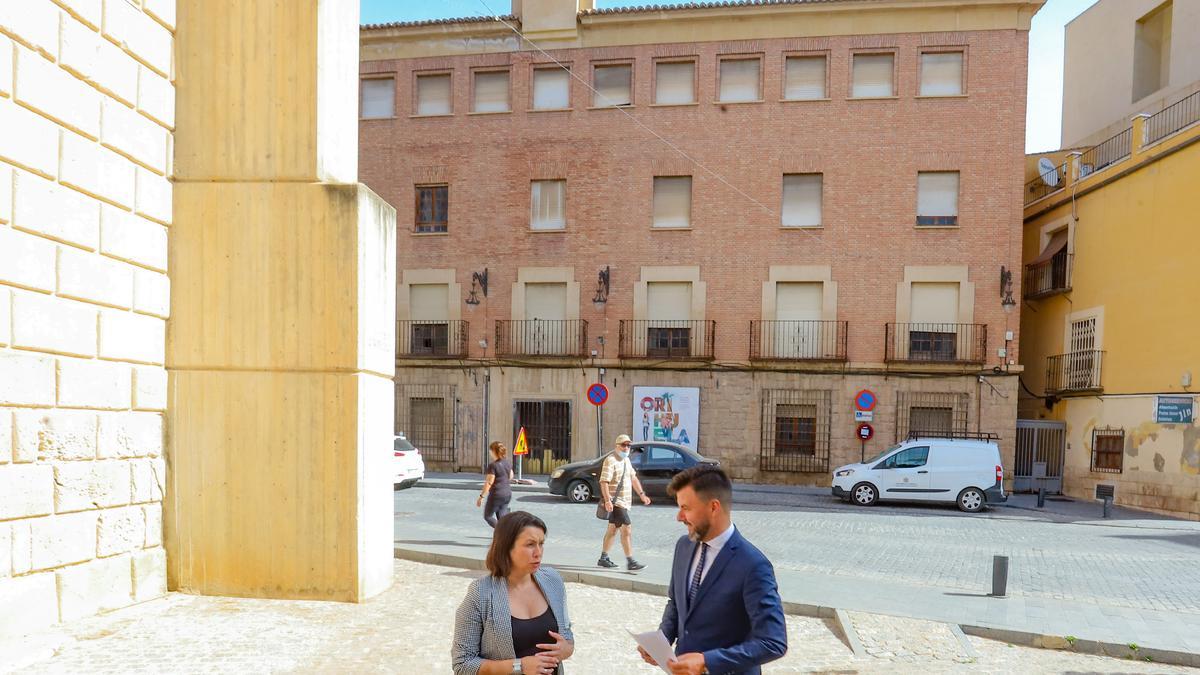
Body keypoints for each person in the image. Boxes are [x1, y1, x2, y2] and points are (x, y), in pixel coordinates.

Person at [639, 465, 787, 675]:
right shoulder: (684, 546)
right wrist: (661, 640)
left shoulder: (753, 565)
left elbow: (773, 642)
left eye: (686, 508)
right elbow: (676, 603)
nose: (679, 517)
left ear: (714, 507)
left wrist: (706, 661)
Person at [453, 511, 575, 675]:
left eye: (541, 543)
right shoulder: (481, 593)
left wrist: (566, 648)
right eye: (530, 544)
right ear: (506, 547)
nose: (538, 552)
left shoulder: (553, 580)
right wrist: (519, 667)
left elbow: (567, 635)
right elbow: (462, 664)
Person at [597, 433, 651, 571]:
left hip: (625, 502)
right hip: (616, 502)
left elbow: (633, 478)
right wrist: (608, 500)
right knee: (626, 529)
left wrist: (642, 494)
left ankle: (603, 558)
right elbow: (604, 482)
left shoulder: (626, 460)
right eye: (623, 445)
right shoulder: (610, 460)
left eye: (628, 445)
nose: (626, 447)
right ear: (617, 446)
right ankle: (630, 561)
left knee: (612, 530)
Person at [477, 441, 514, 528]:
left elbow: (489, 482)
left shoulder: (493, 466)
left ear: (494, 451)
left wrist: (481, 496)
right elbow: (511, 476)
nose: (490, 453)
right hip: (507, 493)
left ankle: (503, 532)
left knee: (488, 516)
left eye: (490, 450)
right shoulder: (507, 462)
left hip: (496, 494)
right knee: (502, 517)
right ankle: (507, 534)